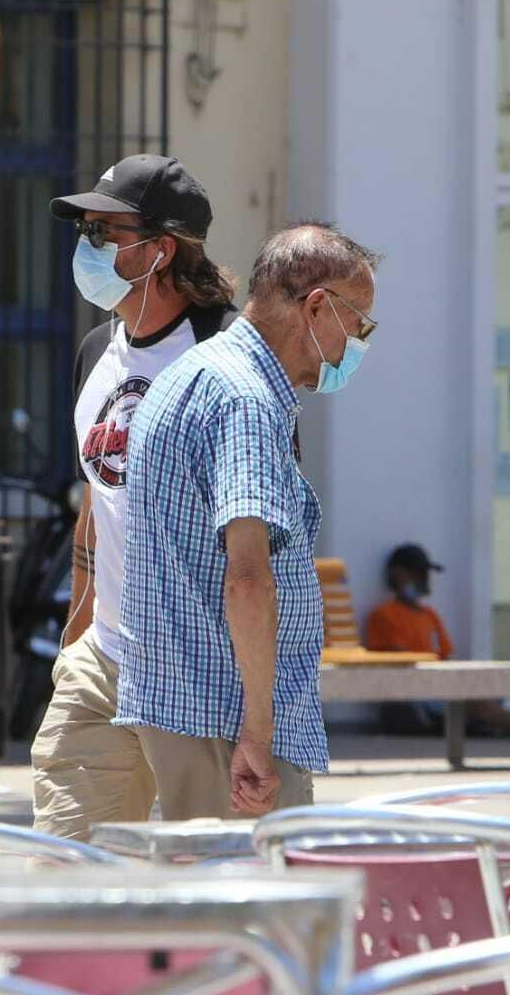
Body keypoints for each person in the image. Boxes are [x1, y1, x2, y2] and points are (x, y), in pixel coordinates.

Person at [117, 222, 382, 819]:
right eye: (359, 325)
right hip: (229, 724)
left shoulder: (190, 375)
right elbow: (247, 578)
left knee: (206, 900)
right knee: (254, 903)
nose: (358, 344)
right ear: (317, 308)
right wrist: (258, 736)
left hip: (185, 706)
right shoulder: (245, 401)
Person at [29, 154, 240, 841]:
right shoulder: (97, 350)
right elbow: (100, 495)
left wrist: (261, 706)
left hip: (202, 670)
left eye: (104, 233)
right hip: (105, 660)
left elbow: (258, 533)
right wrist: (76, 635)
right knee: (67, 872)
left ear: (162, 250)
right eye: (84, 230)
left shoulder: (228, 356)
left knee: (217, 883)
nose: (85, 247)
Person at [367, 543, 510, 739]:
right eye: (419, 573)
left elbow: (445, 656)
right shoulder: (384, 615)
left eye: (425, 573)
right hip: (418, 691)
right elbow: (396, 662)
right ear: (400, 575)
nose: (425, 579)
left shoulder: (429, 615)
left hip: (443, 681)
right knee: (474, 702)